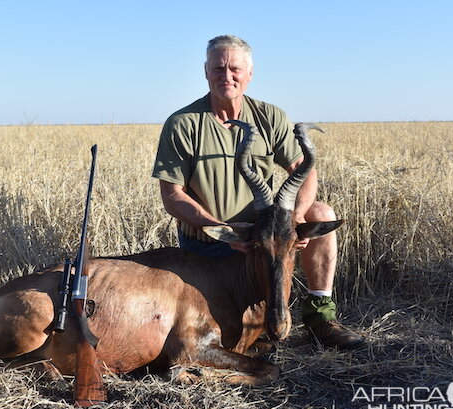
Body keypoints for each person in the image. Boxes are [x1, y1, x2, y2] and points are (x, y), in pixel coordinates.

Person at [151, 34, 363, 349]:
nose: (227, 76)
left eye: (235, 69)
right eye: (218, 68)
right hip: (209, 246)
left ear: (249, 74)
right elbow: (173, 196)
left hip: (262, 242)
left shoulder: (269, 116)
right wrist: (221, 229)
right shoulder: (183, 123)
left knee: (322, 214)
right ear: (206, 71)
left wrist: (297, 219)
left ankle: (320, 318)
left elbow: (305, 171)